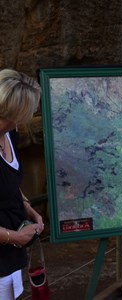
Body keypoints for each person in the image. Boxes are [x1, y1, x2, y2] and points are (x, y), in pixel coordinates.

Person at [0, 69, 44, 299]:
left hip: (10, 251)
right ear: (16, 112)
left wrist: (26, 205)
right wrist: (14, 237)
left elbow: (9, 181)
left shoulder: (10, 132)